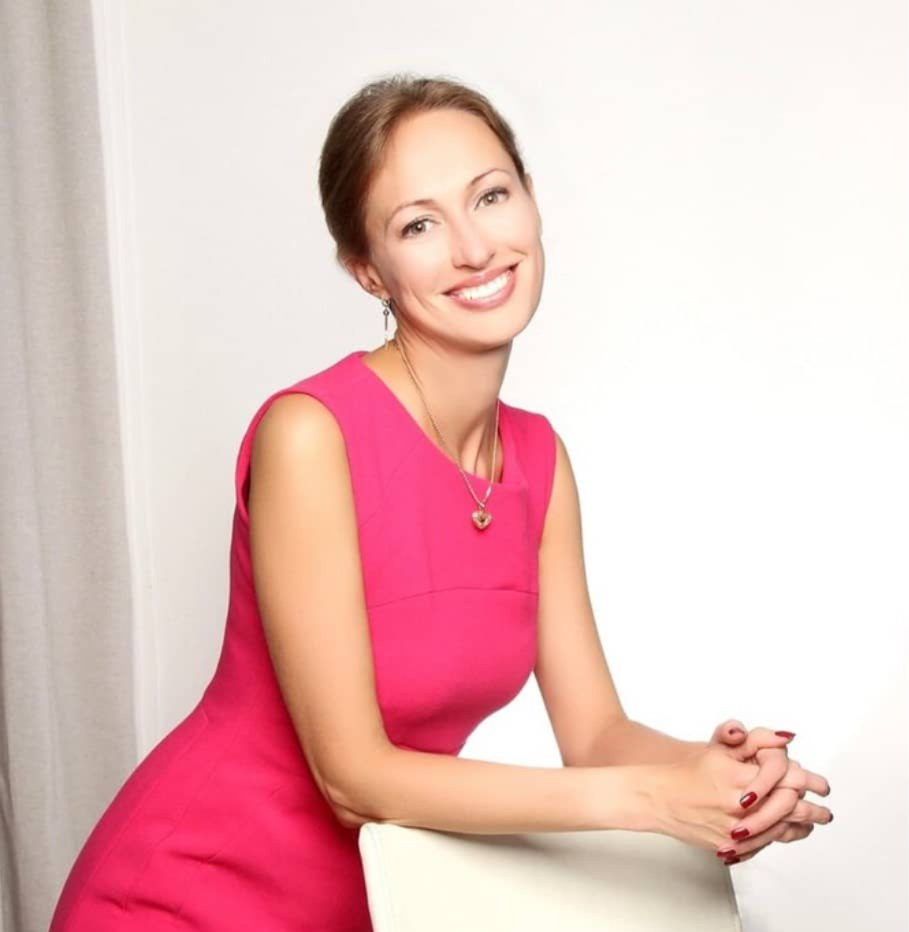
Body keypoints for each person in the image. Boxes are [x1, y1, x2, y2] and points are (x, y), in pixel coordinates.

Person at [48, 73, 832, 931]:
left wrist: (725, 782)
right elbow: (352, 779)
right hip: (187, 896)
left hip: (368, 903)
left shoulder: (537, 459)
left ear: (530, 200)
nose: (473, 248)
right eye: (417, 224)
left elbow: (596, 736)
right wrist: (652, 800)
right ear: (367, 270)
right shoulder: (309, 435)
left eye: (490, 196)